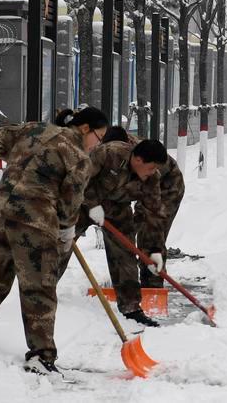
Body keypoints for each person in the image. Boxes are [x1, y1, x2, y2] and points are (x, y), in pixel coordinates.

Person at [0, 107, 108, 376]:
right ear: (85, 129)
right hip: (33, 223)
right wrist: (66, 230)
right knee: (39, 288)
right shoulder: (79, 158)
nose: (99, 143)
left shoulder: (36, 129)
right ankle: (41, 356)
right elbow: (71, 203)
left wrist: (21, 160)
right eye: (100, 136)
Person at [60, 138, 168, 327]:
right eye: (151, 167)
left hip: (116, 208)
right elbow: (78, 179)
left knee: (125, 254)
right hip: (81, 204)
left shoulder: (152, 177)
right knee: (60, 245)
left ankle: (131, 308)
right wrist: (92, 204)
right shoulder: (110, 153)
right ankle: (41, 291)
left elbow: (154, 214)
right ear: (138, 160)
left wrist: (155, 250)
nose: (153, 172)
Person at [102, 126, 186, 288]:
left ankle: (152, 286)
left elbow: (153, 214)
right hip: (138, 182)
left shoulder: (139, 155)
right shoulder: (105, 151)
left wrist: (155, 248)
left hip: (167, 186)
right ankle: (125, 284)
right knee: (120, 231)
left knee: (149, 234)